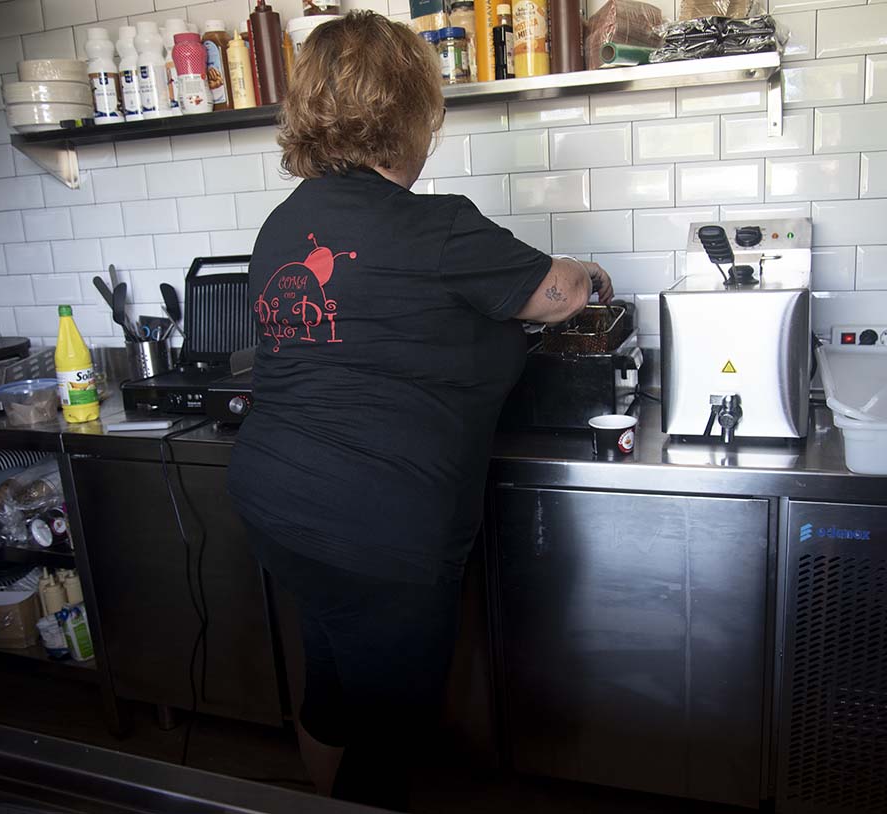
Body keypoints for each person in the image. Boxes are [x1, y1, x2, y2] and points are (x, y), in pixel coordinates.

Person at [228, 11, 612, 810]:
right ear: (412, 110)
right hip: (377, 524)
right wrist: (591, 269)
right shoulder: (434, 227)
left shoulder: (281, 224)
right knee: (392, 730)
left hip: (276, 502)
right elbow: (557, 294)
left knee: (333, 687)